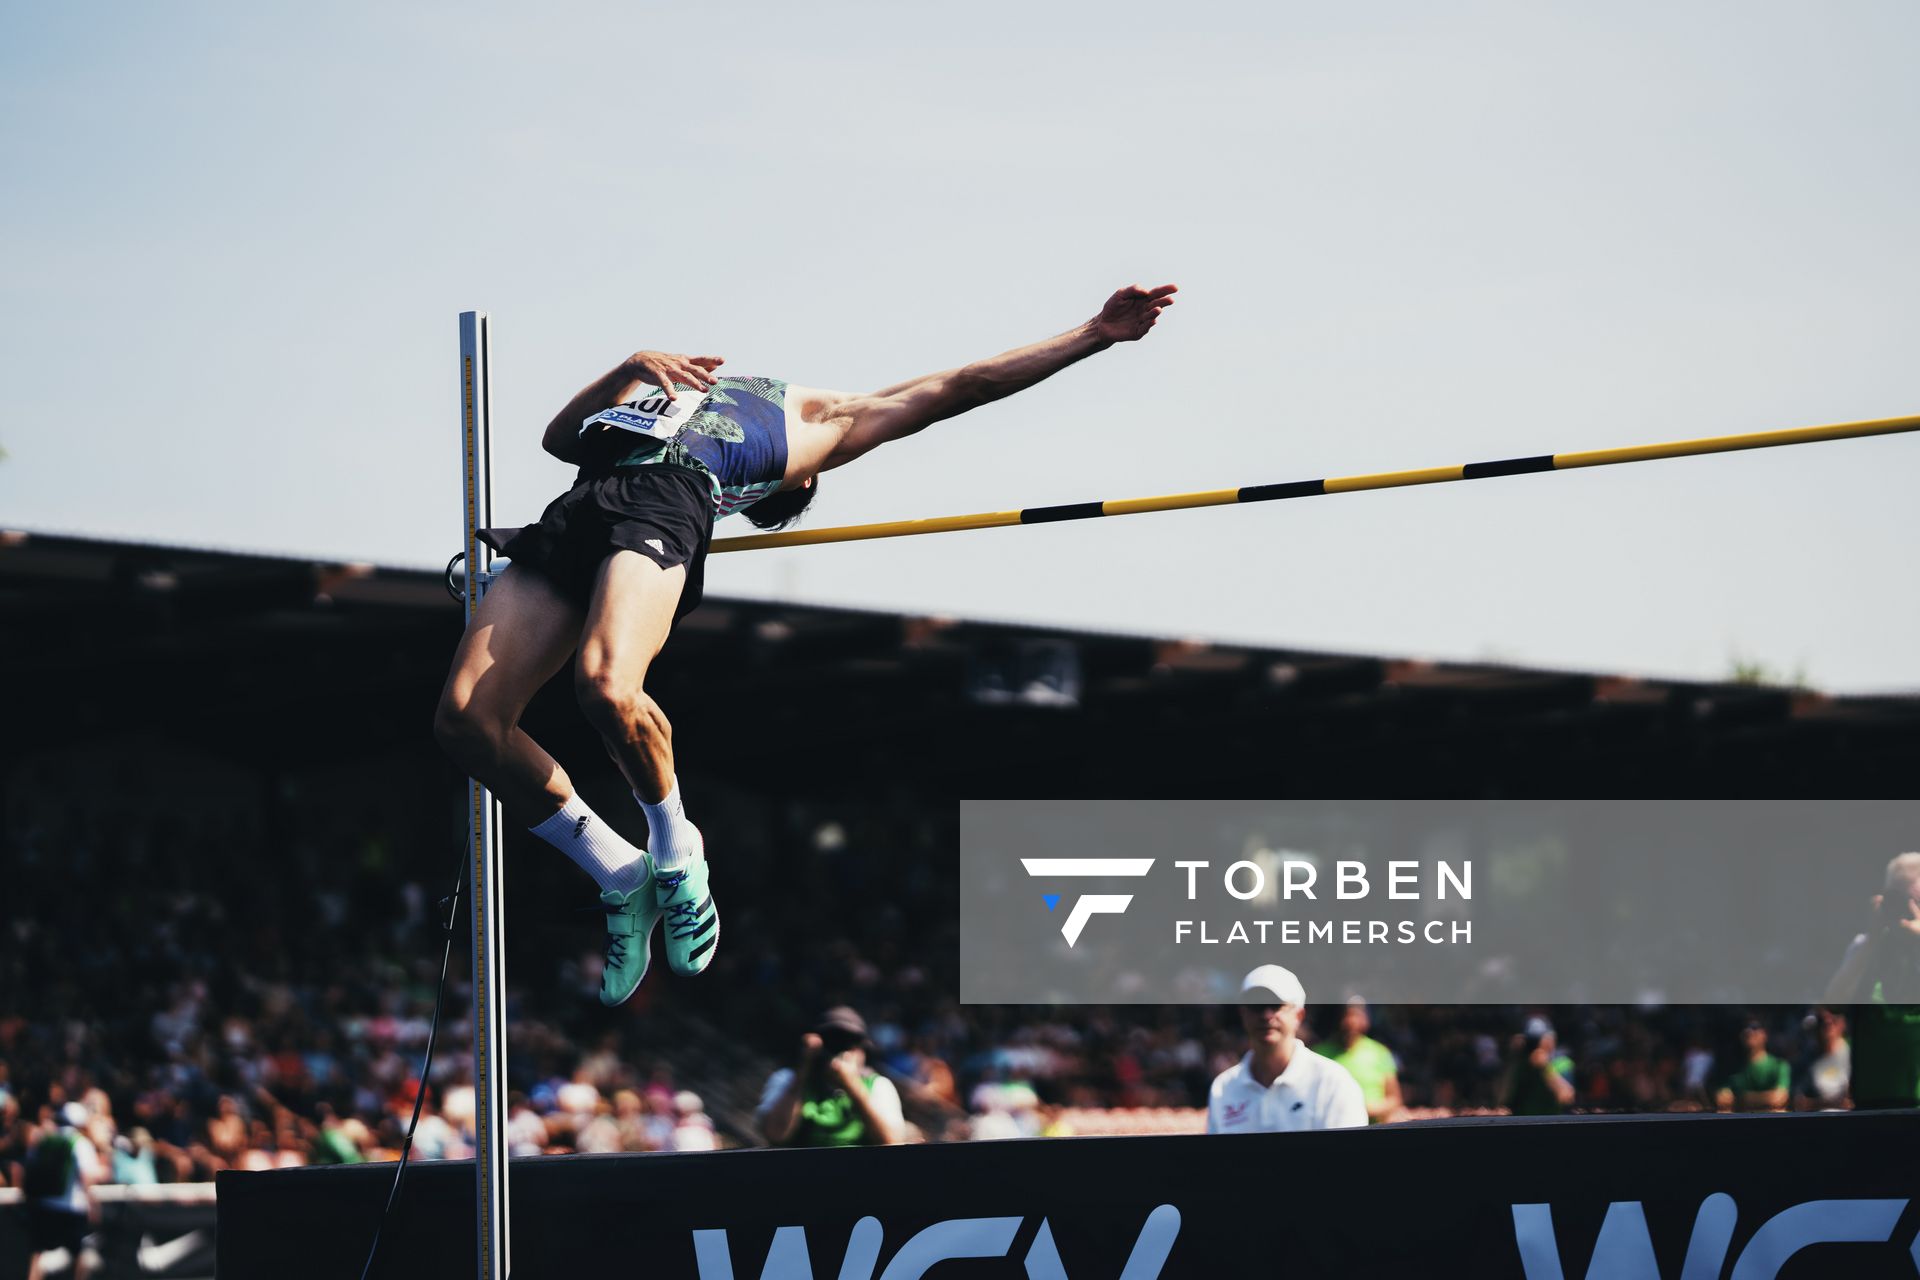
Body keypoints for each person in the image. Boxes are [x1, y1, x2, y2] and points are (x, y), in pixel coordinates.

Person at [432, 285, 1178, 1007]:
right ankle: (619, 871)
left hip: (664, 505)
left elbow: (966, 383)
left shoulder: (826, 420)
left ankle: (677, 852)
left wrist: (1091, 336)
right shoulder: (657, 385)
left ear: (801, 471)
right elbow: (560, 441)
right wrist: (629, 367)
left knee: (606, 686)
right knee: (466, 719)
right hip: (577, 505)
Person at [1206, 965, 1367, 1134]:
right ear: (1243, 1013)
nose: (1266, 1015)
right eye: (1256, 1005)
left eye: (1276, 1005)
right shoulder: (1223, 1088)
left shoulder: (1333, 1083)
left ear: (1299, 1015)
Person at [1824, 851, 1920, 1109]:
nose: (1907, 907)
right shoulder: (1864, 946)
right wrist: (1873, 940)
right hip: (1873, 1101)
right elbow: (1832, 1005)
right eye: (1898, 898)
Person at [756, 1007, 906, 1147]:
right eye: (832, 1042)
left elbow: (891, 1143)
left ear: (863, 1051)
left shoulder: (878, 1085)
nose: (838, 1052)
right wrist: (802, 1072)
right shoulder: (787, 1078)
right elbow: (774, 1135)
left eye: (849, 1044)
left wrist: (852, 1085)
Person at [23, 1103, 102, 1280]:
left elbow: (28, 1169)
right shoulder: (81, 1143)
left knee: (39, 1254)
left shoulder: (43, 1141)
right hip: (72, 1209)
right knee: (81, 1255)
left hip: (43, 1207)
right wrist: (93, 1206)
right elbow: (87, 1177)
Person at [1314, 997, 1403, 1123]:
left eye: (1356, 1016)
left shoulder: (1380, 1052)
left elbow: (1394, 1099)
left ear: (1366, 1019)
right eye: (1346, 1016)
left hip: (1373, 1128)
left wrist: (1367, 1108)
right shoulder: (1320, 1053)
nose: (1350, 1022)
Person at [1502, 1017, 1575, 1117]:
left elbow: (1566, 1097)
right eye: (1531, 1041)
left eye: (1538, 1040)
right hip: (1522, 1124)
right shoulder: (1521, 1064)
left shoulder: (1562, 1063)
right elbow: (1502, 1099)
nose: (1535, 1046)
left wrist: (1545, 1068)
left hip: (1549, 1123)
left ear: (1551, 1039)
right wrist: (1512, 1058)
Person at [1715, 1019, 1790, 1112]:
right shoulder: (1733, 1068)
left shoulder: (1778, 1065)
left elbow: (1779, 1099)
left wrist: (1742, 1099)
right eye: (1744, 1028)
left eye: (1754, 1027)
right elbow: (1723, 1098)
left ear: (1765, 1034)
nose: (1748, 1031)